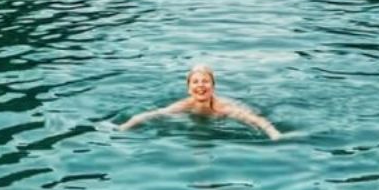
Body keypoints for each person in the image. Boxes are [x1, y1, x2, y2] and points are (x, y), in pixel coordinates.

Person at [120, 64, 281, 140]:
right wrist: (126, 126)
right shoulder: (184, 105)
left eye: (205, 81)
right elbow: (154, 114)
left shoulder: (223, 107)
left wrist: (274, 134)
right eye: (195, 82)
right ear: (189, 88)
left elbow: (256, 120)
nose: (200, 86)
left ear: (213, 86)